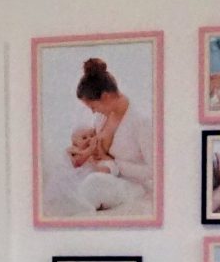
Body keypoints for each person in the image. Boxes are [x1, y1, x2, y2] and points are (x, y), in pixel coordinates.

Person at [56, 56, 153, 215]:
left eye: (93, 106)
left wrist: (115, 164)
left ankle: (75, 207)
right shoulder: (102, 116)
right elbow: (97, 151)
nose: (93, 112)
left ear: (105, 97)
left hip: (132, 183)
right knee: (64, 168)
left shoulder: (141, 121)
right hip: (104, 172)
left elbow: (154, 170)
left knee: (95, 182)